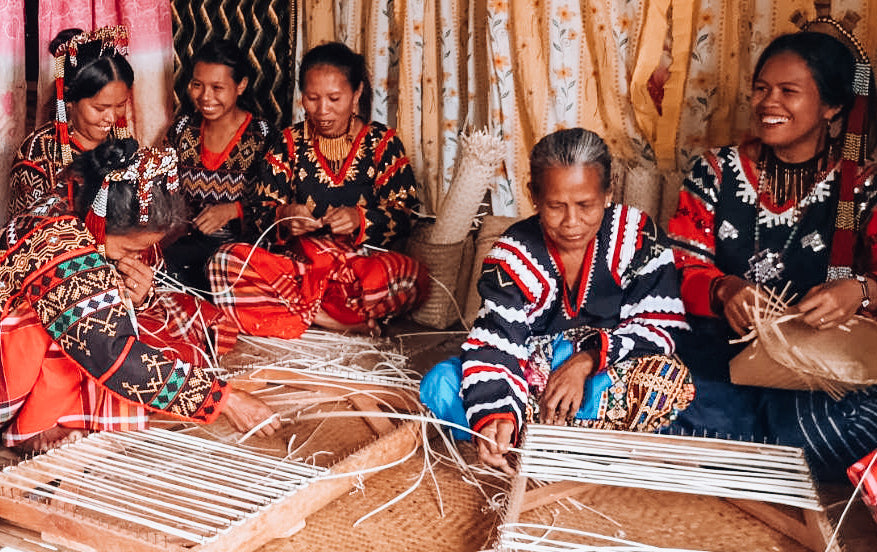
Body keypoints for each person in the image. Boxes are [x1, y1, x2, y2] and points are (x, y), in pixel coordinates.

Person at [667, 28, 877, 479]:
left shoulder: (861, 185)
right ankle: (757, 457)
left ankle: (738, 455)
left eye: (788, 91)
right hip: (720, 360)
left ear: (832, 106)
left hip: (816, 376)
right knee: (657, 392)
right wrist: (724, 289)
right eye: (761, 89)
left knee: (833, 424)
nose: (768, 102)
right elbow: (681, 263)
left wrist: (859, 292)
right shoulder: (716, 171)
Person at [420, 128, 693, 474]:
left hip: (604, 375)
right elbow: (498, 344)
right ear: (533, 195)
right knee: (441, 384)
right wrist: (496, 415)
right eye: (555, 206)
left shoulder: (636, 236)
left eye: (585, 205)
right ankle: (539, 433)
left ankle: (541, 435)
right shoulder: (512, 255)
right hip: (529, 380)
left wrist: (586, 360)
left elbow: (660, 326)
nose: (572, 222)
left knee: (669, 379)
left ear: (608, 193)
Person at [0, 138, 280, 452]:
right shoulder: (59, 242)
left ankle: (52, 412)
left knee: (117, 321)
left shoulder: (74, 198)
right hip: (8, 357)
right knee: (84, 332)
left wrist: (138, 297)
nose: (136, 257)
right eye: (132, 249)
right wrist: (222, 399)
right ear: (99, 221)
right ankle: (32, 426)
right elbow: (109, 351)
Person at [208, 42, 427, 337]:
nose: (322, 110)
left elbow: (406, 216)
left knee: (412, 276)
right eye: (312, 98)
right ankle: (330, 321)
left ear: (357, 93)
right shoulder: (287, 143)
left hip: (357, 273)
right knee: (223, 263)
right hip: (299, 271)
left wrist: (359, 219)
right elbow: (258, 214)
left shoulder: (383, 143)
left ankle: (298, 313)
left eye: (334, 98)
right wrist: (284, 215)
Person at [163, 38, 279, 292]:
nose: (205, 97)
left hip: (240, 256)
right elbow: (162, 187)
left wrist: (234, 210)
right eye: (197, 85)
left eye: (217, 87)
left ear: (241, 86)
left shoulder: (263, 137)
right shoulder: (183, 130)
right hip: (189, 249)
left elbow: (279, 207)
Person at [8, 26, 133, 218]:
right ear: (69, 98)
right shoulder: (37, 155)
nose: (111, 118)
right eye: (100, 108)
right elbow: (27, 232)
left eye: (120, 105)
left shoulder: (119, 142)